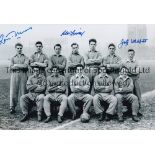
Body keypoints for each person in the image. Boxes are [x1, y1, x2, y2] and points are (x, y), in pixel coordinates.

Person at [10, 43, 29, 114]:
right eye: (18, 48)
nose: (19, 49)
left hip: (23, 74)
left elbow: (26, 66)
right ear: (15, 48)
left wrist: (16, 65)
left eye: (20, 48)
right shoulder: (12, 57)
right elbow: (11, 67)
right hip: (14, 75)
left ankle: (24, 107)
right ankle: (12, 107)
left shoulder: (25, 57)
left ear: (22, 48)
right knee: (13, 91)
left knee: (24, 91)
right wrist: (20, 66)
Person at [122, 49, 142, 116]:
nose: (130, 55)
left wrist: (129, 72)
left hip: (135, 80)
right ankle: (129, 110)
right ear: (127, 54)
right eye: (129, 54)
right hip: (127, 80)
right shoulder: (124, 63)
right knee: (129, 94)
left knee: (137, 94)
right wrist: (132, 72)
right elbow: (123, 72)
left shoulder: (136, 62)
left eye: (132, 54)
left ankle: (137, 110)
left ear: (134, 54)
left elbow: (137, 72)